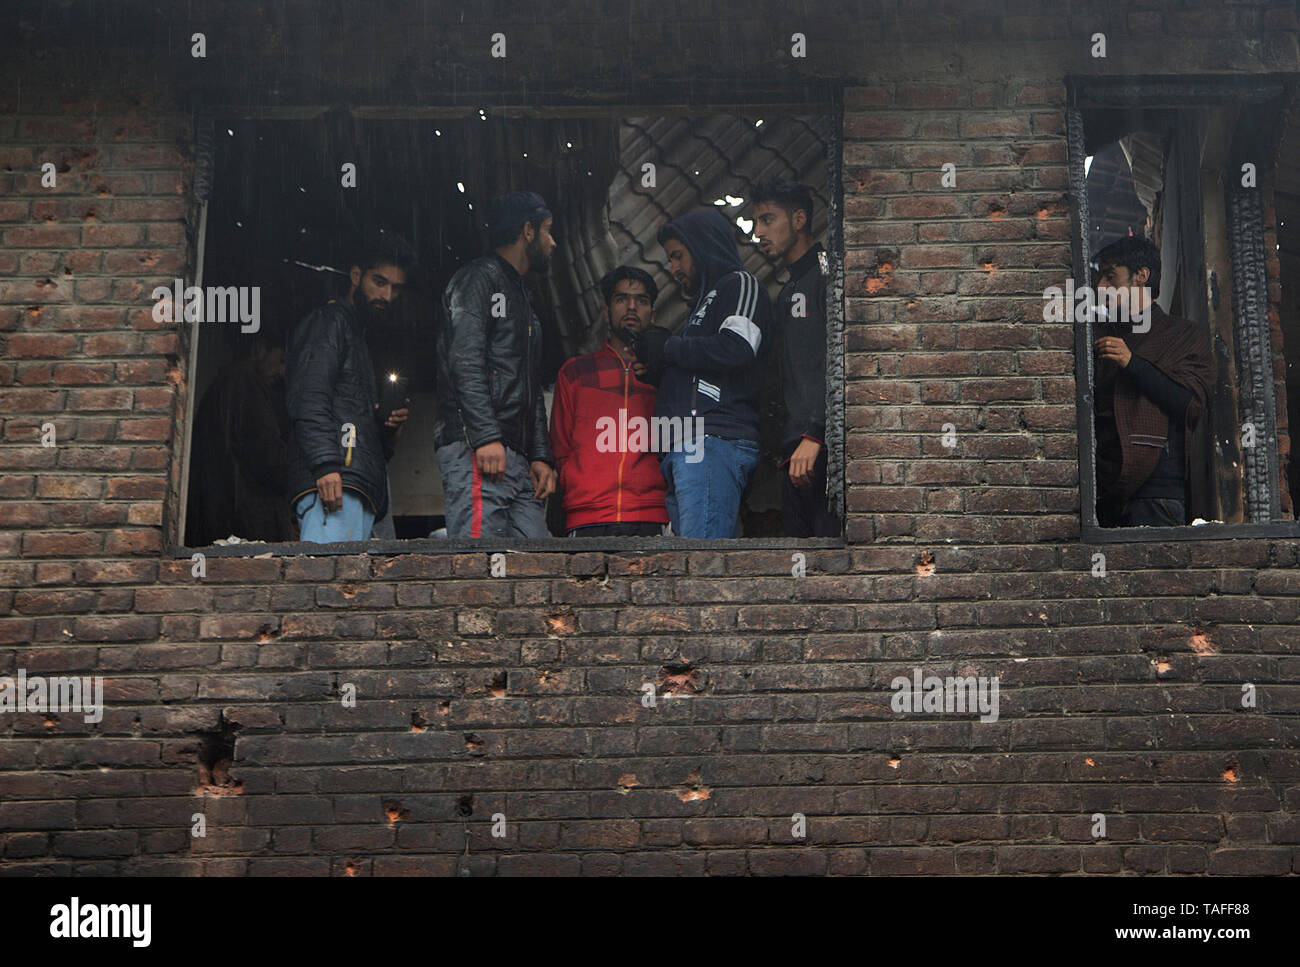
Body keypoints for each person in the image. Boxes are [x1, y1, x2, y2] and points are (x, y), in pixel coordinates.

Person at [629, 208, 773, 538]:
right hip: (688, 448)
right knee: (692, 570)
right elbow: (703, 368)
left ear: (702, 245)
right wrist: (660, 371)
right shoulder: (700, 306)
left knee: (701, 567)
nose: (673, 268)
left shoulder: (740, 284)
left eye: (678, 256)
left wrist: (668, 349)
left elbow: (738, 347)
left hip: (712, 444)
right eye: (670, 259)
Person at [434, 190, 557, 538]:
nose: (554, 242)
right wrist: (485, 436)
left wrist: (541, 455)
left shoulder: (522, 294)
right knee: (479, 566)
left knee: (538, 562)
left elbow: (529, 385)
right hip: (479, 448)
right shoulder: (479, 278)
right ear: (528, 231)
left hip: (515, 455)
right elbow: (465, 360)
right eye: (548, 230)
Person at [284, 230, 415, 542]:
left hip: (354, 484)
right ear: (357, 276)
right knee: (324, 583)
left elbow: (345, 412)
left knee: (343, 585)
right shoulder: (330, 322)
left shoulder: (358, 335)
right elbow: (309, 397)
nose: (386, 296)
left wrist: (385, 425)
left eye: (395, 288)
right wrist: (326, 465)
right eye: (379, 282)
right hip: (334, 484)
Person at [1092, 235, 1213, 527]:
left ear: (1141, 276)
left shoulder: (1182, 335)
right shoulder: (1097, 335)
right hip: (1102, 494)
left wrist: (1131, 363)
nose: (1100, 287)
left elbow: (1190, 405)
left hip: (1156, 495)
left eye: (1110, 277)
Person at [550, 267, 669, 537]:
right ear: (606, 311)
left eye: (641, 300)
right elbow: (561, 449)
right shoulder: (575, 373)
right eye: (621, 299)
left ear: (652, 314)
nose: (631, 307)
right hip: (586, 516)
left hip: (648, 514)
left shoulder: (666, 376)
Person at [752, 178, 841, 537]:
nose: (757, 232)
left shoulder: (828, 274)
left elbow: (838, 358)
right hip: (794, 448)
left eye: (767, 220)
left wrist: (816, 433)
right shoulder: (788, 289)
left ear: (799, 219)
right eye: (756, 222)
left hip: (823, 445)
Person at [186, 333, 292, 545]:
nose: (283, 372)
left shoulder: (222, 386)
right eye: (281, 360)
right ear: (260, 349)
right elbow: (268, 455)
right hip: (240, 520)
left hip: (216, 519)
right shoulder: (245, 382)